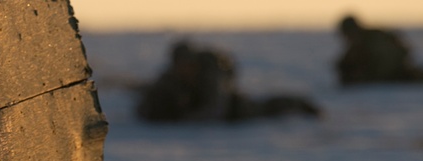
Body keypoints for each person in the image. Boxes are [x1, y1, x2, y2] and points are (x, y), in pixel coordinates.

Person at [136, 40, 321, 123]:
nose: (184, 69)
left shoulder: (210, 76)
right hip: (203, 109)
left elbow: (216, 110)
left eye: (187, 64)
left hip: (232, 109)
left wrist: (188, 119)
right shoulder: (172, 76)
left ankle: (302, 104)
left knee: (261, 108)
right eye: (180, 65)